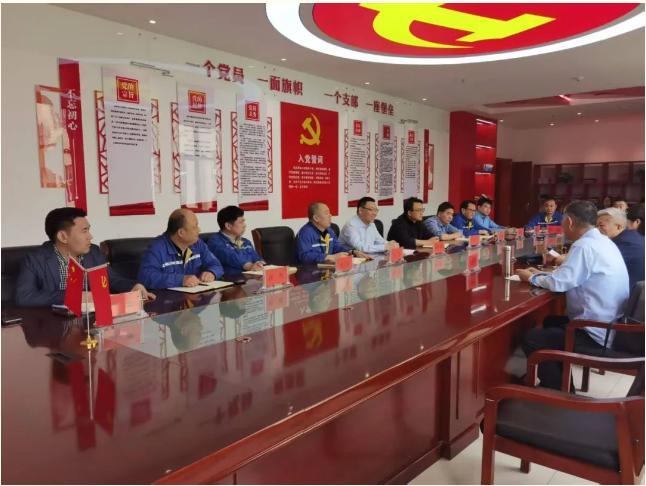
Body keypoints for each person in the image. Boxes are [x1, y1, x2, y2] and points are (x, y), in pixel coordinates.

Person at [516, 200, 629, 391]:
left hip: (595, 332)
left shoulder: (584, 246)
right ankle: (564, 383)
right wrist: (541, 274)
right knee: (550, 321)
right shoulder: (603, 241)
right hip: (610, 325)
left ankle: (559, 391)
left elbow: (560, 284)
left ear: (569, 221)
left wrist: (532, 277)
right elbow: (570, 276)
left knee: (532, 338)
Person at [15, 207, 154, 307]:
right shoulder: (35, 260)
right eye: (84, 231)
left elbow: (112, 279)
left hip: (91, 323)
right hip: (54, 325)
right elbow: (24, 297)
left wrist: (133, 286)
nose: (90, 236)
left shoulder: (93, 252)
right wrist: (74, 296)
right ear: (63, 237)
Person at [137, 208, 224, 289]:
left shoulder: (197, 244)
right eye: (195, 227)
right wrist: (180, 280)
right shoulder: (157, 248)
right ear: (181, 232)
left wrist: (212, 272)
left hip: (195, 296)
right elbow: (146, 277)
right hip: (168, 299)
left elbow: (216, 265)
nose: (199, 230)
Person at [296, 202, 369, 263]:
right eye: (326, 213)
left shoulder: (330, 231)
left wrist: (352, 251)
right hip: (310, 272)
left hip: (327, 269)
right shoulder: (305, 233)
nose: (330, 215)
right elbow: (304, 256)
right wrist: (329, 257)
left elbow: (337, 247)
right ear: (316, 218)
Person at [207, 205, 265, 274]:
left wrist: (259, 263)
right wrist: (249, 266)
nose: (244, 225)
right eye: (241, 222)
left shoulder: (245, 241)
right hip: (230, 278)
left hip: (250, 277)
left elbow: (256, 258)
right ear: (228, 226)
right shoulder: (215, 242)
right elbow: (231, 256)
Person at [597, 207, 644, 289]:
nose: (596, 230)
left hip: (627, 293)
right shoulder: (634, 236)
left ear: (618, 226)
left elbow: (596, 264)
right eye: (596, 226)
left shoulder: (623, 242)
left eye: (601, 225)